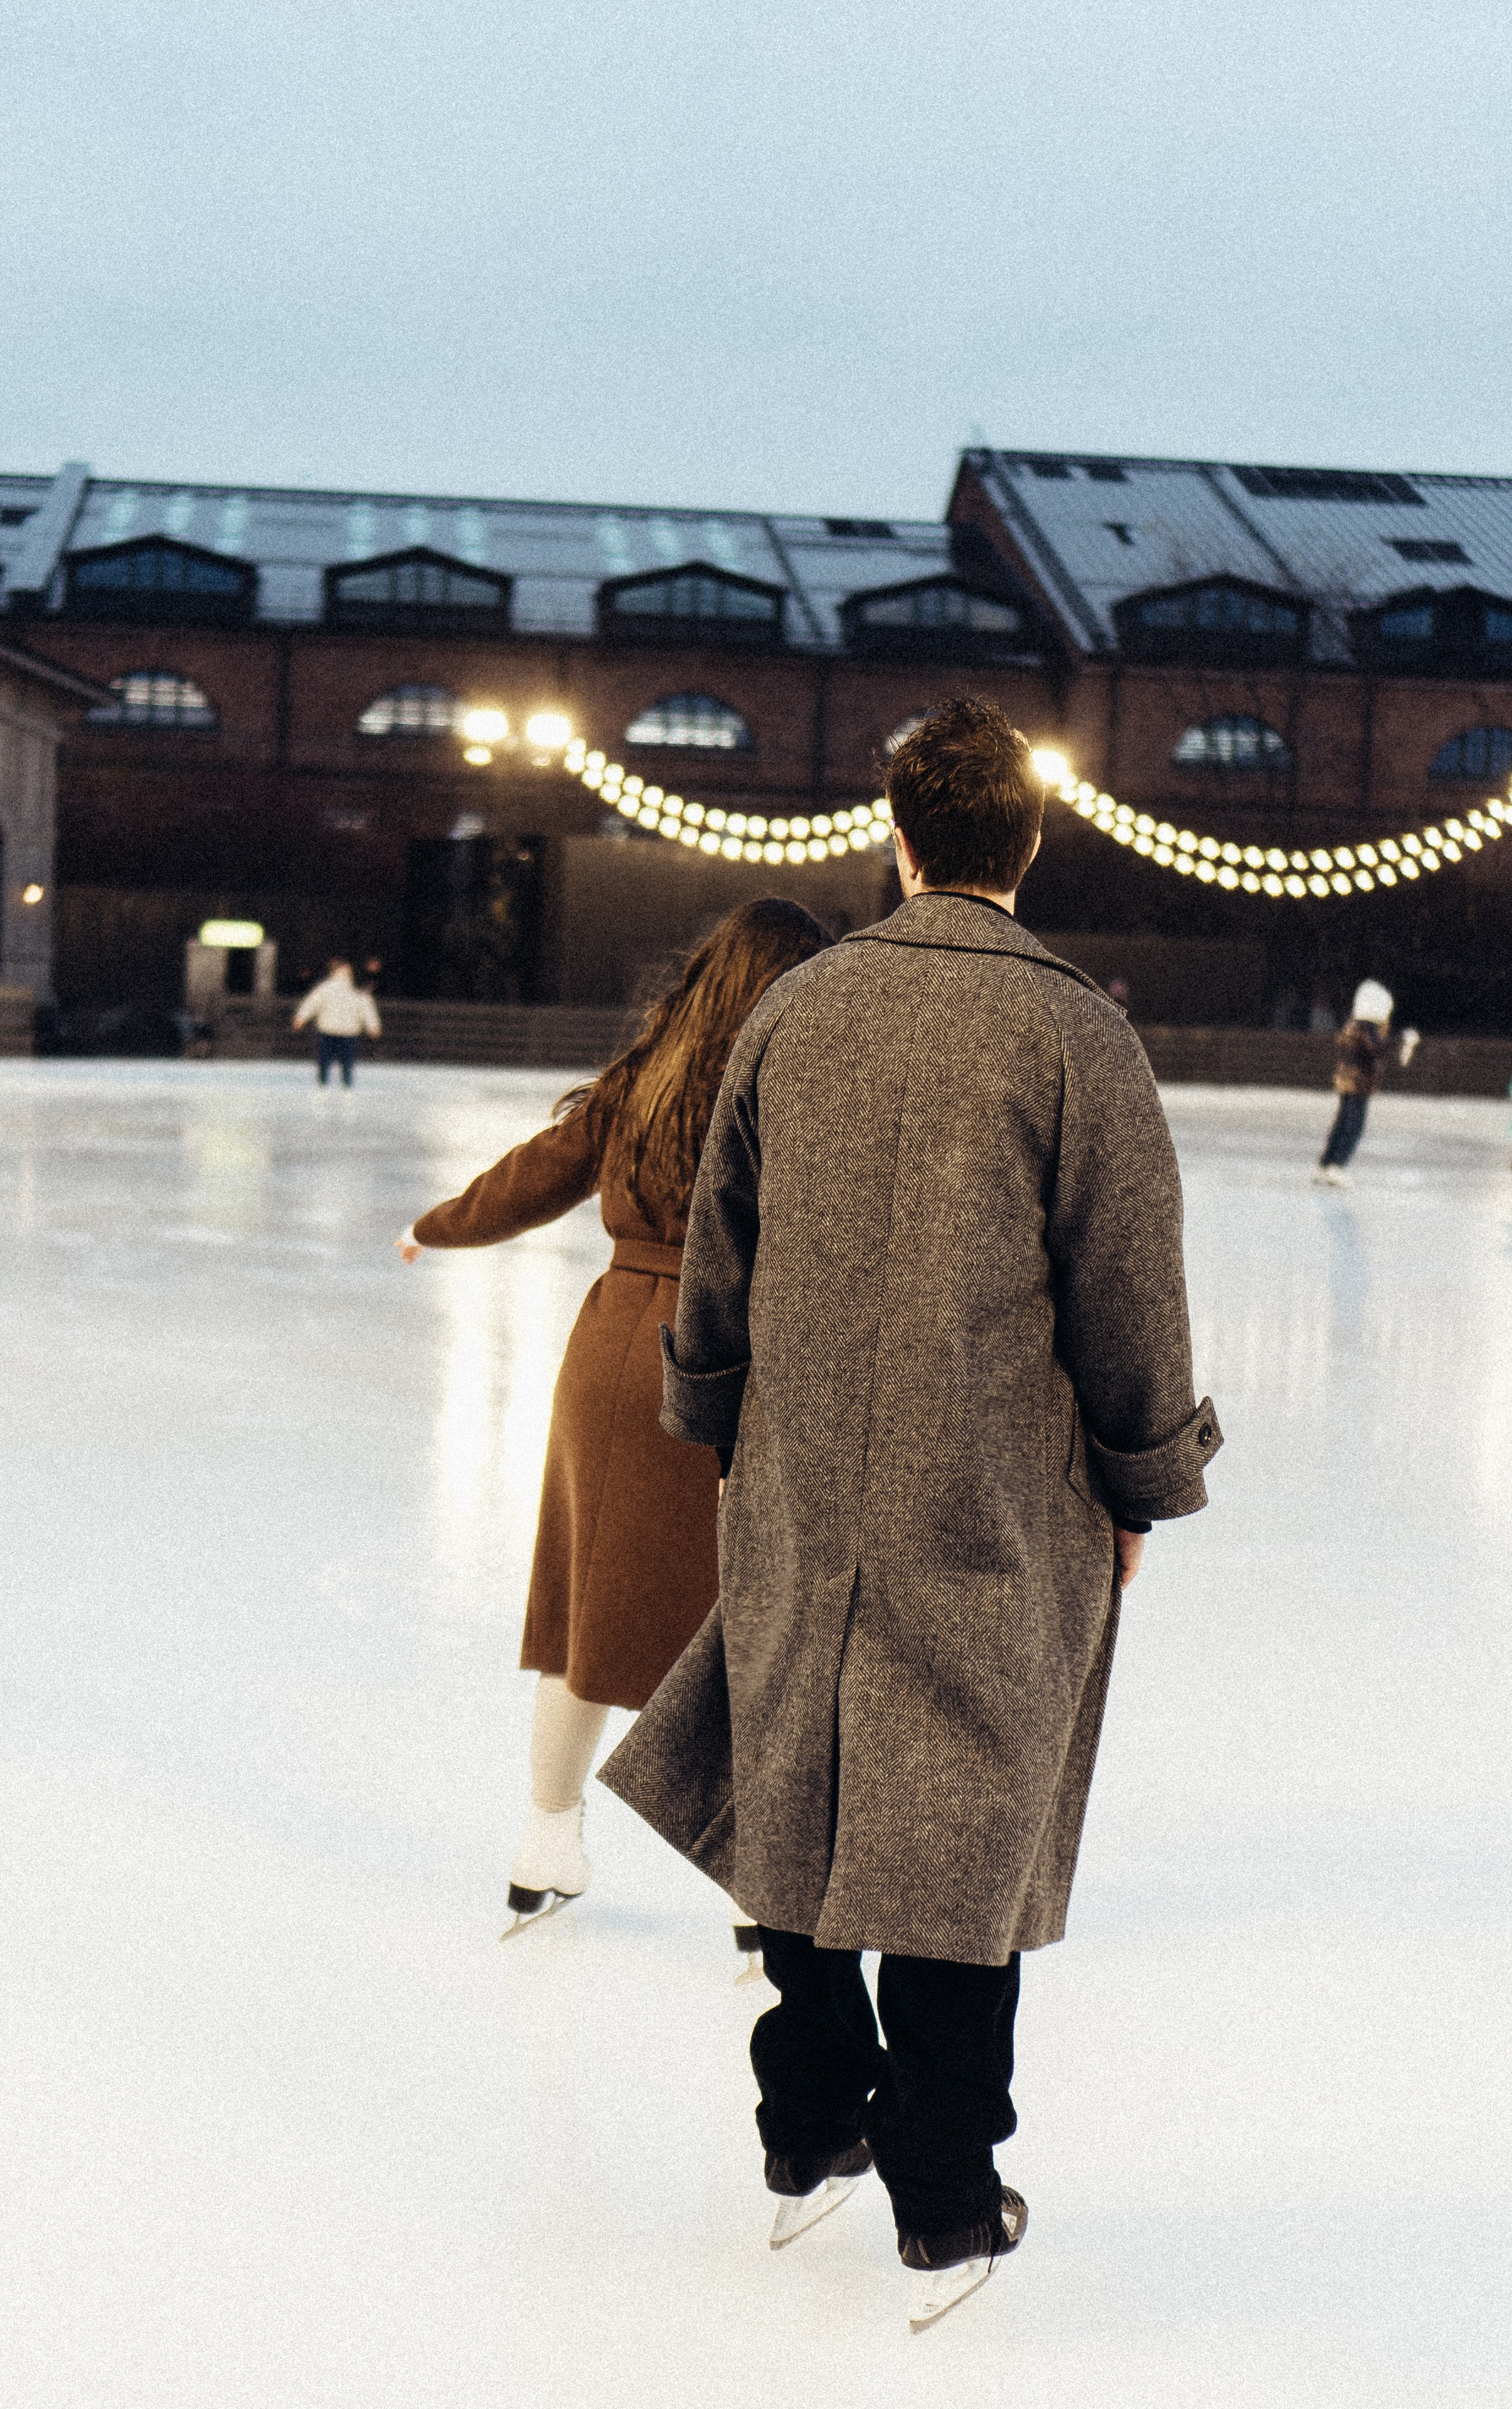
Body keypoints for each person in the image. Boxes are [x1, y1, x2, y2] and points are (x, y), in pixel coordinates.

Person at [600, 697, 1222, 2332]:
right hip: (995, 1495)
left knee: (794, 1782)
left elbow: (719, 1255)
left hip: (802, 1475)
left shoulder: (797, 1010)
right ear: (1032, 840)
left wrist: (719, 1424)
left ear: (897, 836)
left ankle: (807, 2125)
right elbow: (1131, 1295)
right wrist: (1142, 1481)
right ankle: (943, 2193)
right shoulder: (1076, 1035)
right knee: (964, 1822)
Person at [396, 899, 834, 1935]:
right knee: (751, 1628)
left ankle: (545, 1842)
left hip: (612, 1357)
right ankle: (761, 1894)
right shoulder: (801, 1086)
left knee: (584, 1615)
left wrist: (435, 1226)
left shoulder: (645, 1079)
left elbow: (530, 1178)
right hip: (731, 1363)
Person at [1313, 979, 1419, 1186]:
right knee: (1353, 1125)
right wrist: (1401, 1038)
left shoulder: (1353, 1024)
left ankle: (1325, 1165)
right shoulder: (1367, 1027)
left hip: (1347, 1079)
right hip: (1358, 1081)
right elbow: (1377, 1049)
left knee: (1342, 1122)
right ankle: (1336, 1166)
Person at [293, 957, 381, 1085]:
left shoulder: (325, 987)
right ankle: (346, 1084)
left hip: (328, 1029)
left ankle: (324, 1083)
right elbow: (367, 1009)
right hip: (347, 1031)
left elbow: (311, 1003)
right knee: (346, 1061)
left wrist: (300, 1019)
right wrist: (373, 1027)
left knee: (325, 1060)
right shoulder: (357, 990)